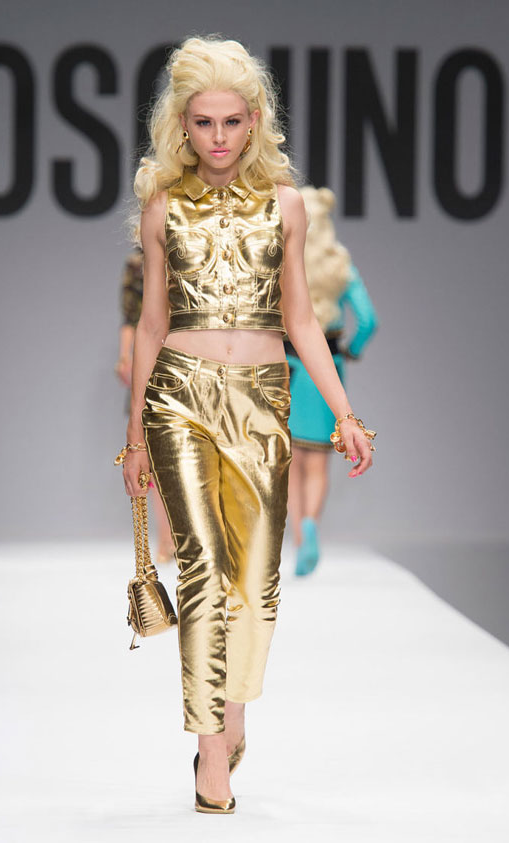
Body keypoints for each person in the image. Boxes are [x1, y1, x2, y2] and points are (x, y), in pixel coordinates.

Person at [120, 35, 375, 814]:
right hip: (180, 398)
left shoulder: (285, 206)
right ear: (182, 124)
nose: (219, 137)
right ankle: (209, 752)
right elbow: (153, 322)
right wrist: (133, 438)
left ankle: (231, 710)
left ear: (256, 120)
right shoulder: (163, 207)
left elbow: (301, 318)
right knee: (201, 567)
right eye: (204, 122)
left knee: (257, 584)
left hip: (262, 397)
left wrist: (344, 412)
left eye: (233, 121)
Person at [284, 186, 378, 575]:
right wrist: (351, 349)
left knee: (290, 460)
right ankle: (311, 525)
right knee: (319, 462)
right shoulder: (340, 266)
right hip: (328, 369)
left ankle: (299, 540)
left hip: (289, 367)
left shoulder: (285, 262)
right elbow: (368, 319)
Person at [114, 246, 175, 563]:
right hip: (150, 363)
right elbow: (131, 317)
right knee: (153, 456)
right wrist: (125, 357)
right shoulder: (137, 264)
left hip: (190, 360)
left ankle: (177, 539)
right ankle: (166, 538)